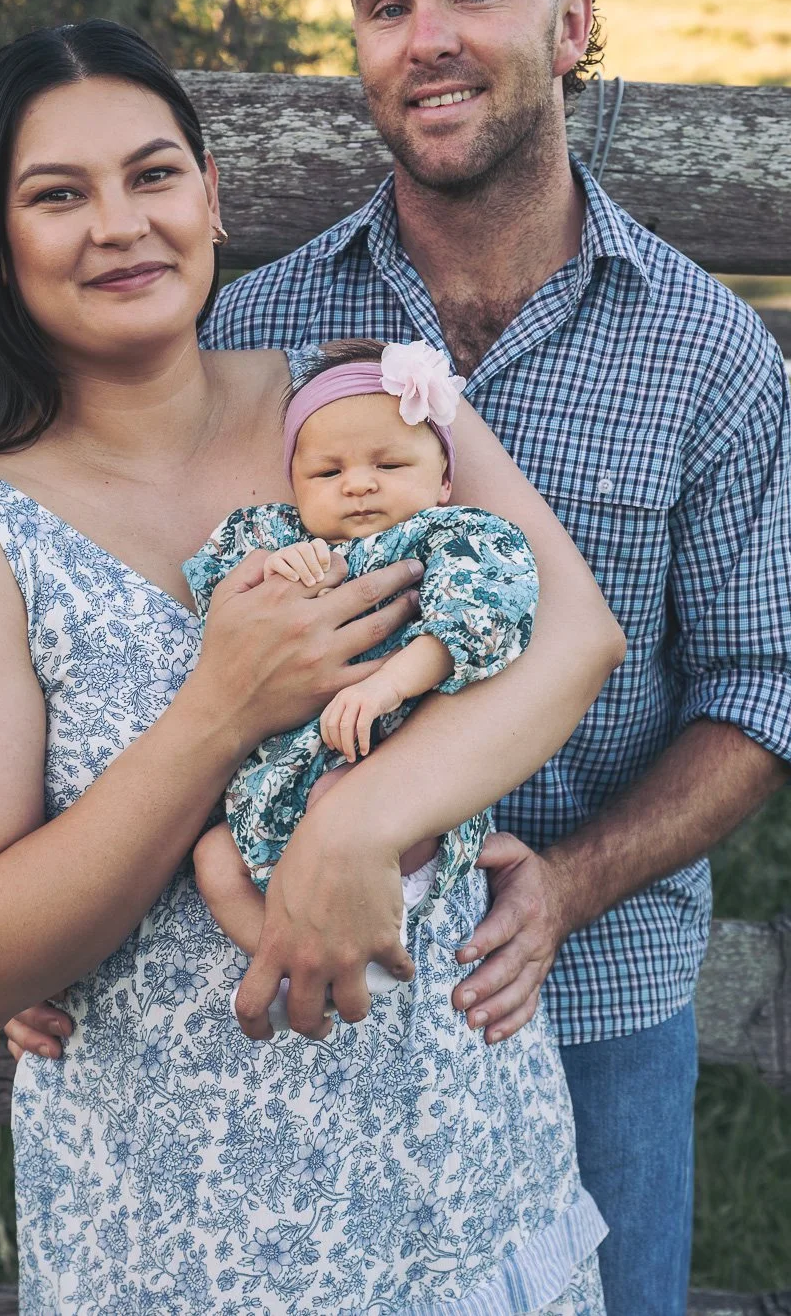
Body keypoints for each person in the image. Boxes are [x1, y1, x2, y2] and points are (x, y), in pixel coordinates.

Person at [6, 0, 791, 1314]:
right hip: (325, 1025)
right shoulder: (255, 332)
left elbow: (767, 695)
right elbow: (161, 638)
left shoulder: (706, 350)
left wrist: (570, 886)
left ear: (574, 25)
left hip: (583, 1003)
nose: (427, 39)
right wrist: (66, 928)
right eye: (386, 4)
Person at [0, 19, 625, 1313]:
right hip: (187, 1248)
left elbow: (569, 632)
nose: (119, 226)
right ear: (0, 249)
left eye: (153, 176)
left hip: (462, 1187)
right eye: (58, 196)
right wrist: (216, 715)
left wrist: (363, 823)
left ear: (213, 199)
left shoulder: (351, 405)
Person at [189, 336, 541, 1021]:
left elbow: (484, 611)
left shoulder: (453, 534)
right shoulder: (281, 541)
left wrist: (391, 684)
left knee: (340, 798)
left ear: (442, 480)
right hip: (278, 791)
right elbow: (215, 597)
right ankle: (284, 961)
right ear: (296, 486)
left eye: (388, 463)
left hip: (392, 765)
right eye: (327, 473)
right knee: (212, 858)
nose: (357, 483)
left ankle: (371, 944)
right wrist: (267, 574)